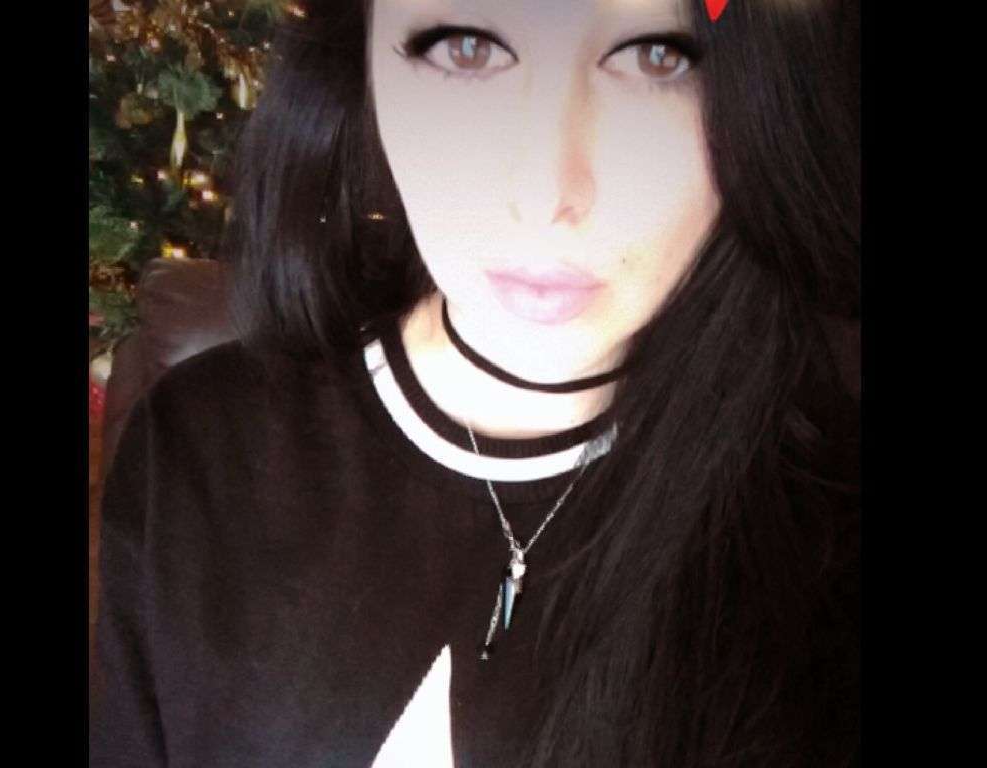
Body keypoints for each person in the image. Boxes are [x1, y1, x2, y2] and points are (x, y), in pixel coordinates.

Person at [90, 0, 860, 765]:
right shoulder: (198, 452)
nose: (546, 192)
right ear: (365, 70)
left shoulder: (826, 529)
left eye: (656, 56)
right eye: (467, 48)